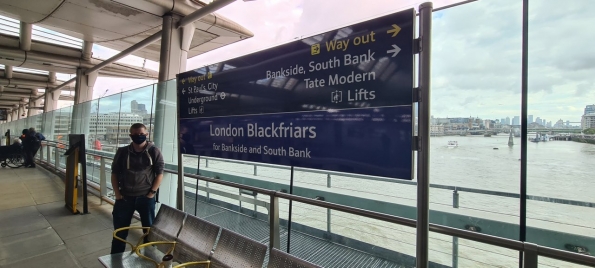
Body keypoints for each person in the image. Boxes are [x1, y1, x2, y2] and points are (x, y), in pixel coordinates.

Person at [110, 123, 164, 254]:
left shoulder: (154, 151)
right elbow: (114, 173)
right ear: (130, 136)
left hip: (146, 198)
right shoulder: (122, 152)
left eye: (141, 134)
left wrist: (151, 194)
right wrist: (118, 194)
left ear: (146, 134)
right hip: (124, 198)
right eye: (135, 134)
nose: (138, 136)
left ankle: (150, 260)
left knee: (149, 233)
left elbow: (160, 174)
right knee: (119, 234)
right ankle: (115, 261)